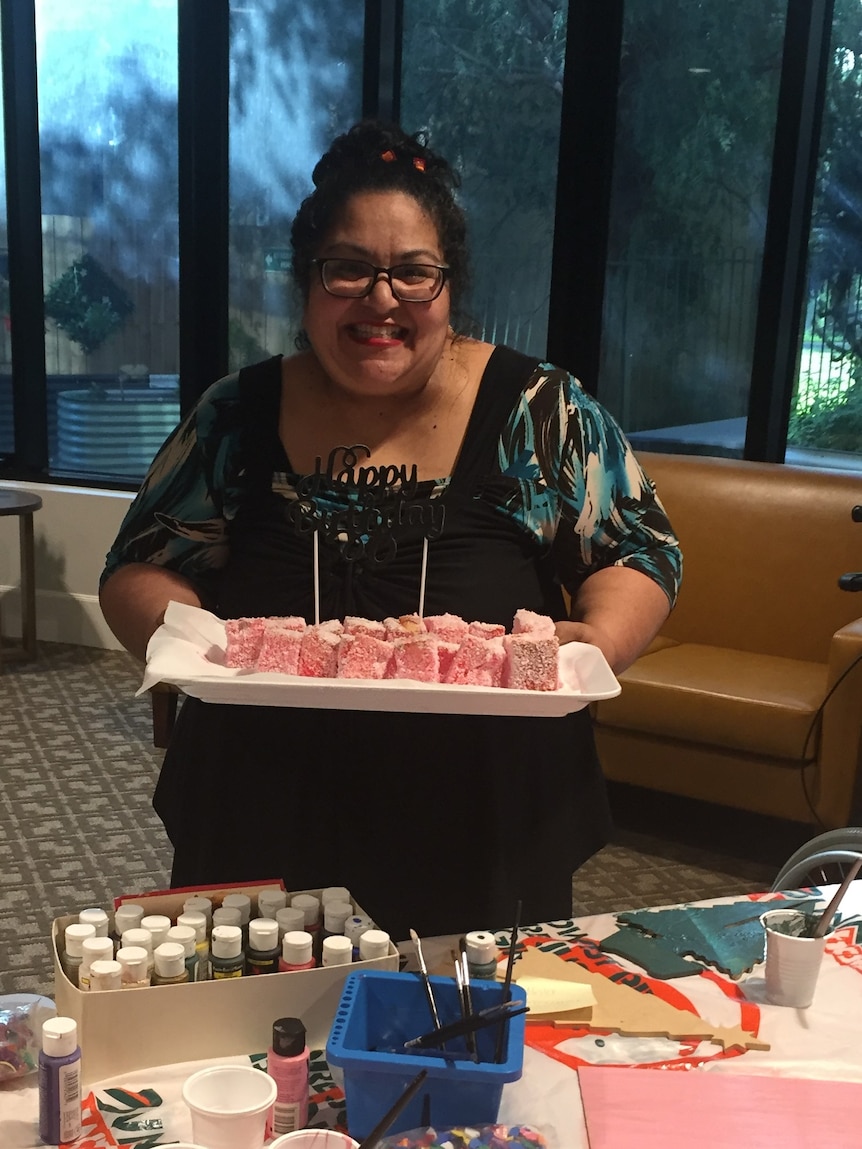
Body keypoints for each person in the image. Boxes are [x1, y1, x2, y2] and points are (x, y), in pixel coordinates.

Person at [99, 121, 682, 942]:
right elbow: (139, 564)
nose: (381, 301)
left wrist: (599, 640)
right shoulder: (237, 411)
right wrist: (191, 639)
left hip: (483, 816)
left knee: (464, 1035)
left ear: (449, 286)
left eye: (414, 273)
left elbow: (641, 548)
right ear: (307, 283)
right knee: (257, 1036)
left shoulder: (537, 409)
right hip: (258, 799)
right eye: (348, 270)